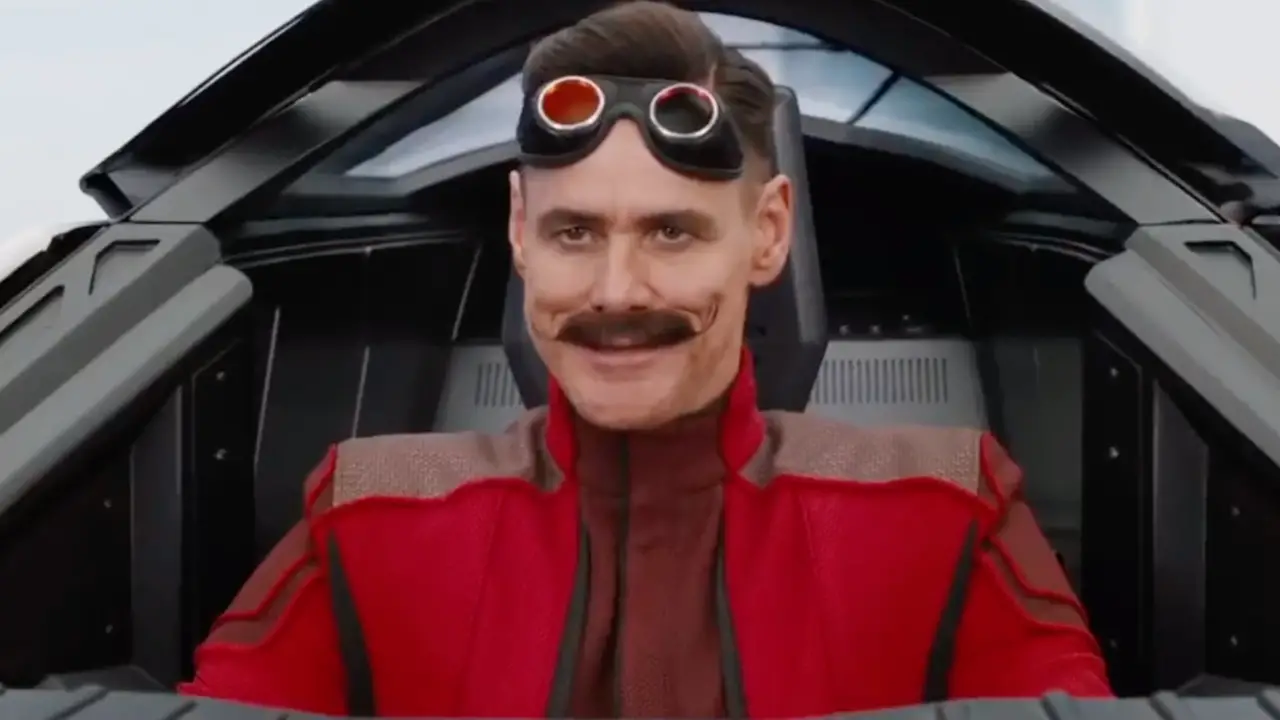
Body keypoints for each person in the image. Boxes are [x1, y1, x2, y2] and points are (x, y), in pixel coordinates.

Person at [180, 2, 1112, 717]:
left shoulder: (949, 512)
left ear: (768, 233)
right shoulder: (366, 516)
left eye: (671, 232)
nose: (617, 292)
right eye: (575, 231)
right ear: (520, 231)